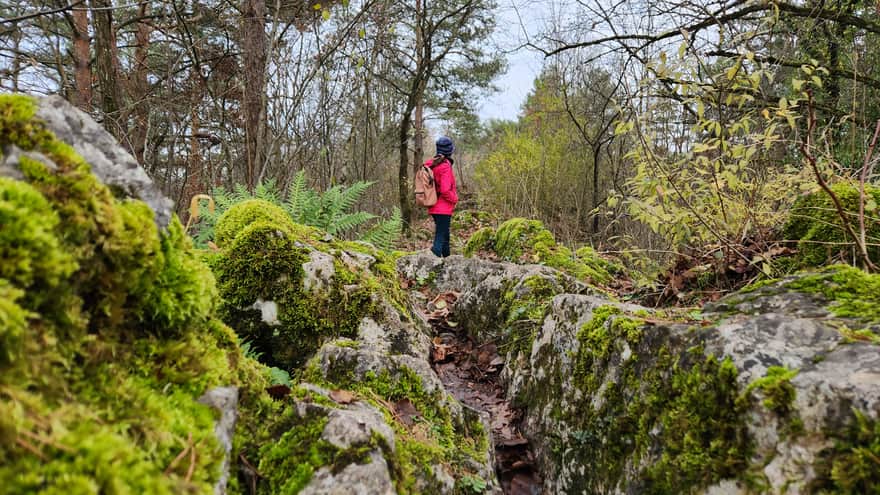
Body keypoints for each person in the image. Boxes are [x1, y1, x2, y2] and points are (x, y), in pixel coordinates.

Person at [426, 136, 458, 257]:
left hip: (433, 204)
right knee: (440, 237)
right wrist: (454, 199)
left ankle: (447, 261)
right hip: (443, 207)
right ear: (450, 151)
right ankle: (432, 264)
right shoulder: (445, 166)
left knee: (445, 236)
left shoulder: (431, 164)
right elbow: (445, 189)